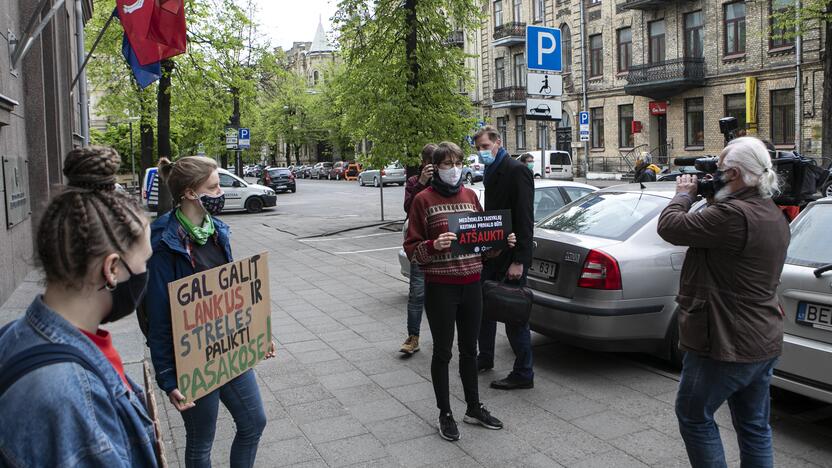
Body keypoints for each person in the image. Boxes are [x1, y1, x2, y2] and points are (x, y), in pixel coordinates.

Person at [0, 146, 158, 466]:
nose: (145, 273)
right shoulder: (67, 394)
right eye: (144, 260)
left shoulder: (14, 335)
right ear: (112, 269)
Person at [657, 137, 790, 468]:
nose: (711, 176)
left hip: (724, 341)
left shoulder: (732, 215)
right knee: (754, 426)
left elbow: (670, 226)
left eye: (717, 170)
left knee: (693, 416)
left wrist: (683, 196)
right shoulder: (771, 213)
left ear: (733, 174)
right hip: (763, 339)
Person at [146, 156, 276, 468]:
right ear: (191, 192)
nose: (221, 193)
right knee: (201, 441)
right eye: (214, 187)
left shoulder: (216, 230)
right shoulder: (164, 241)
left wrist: (259, 333)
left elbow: (232, 294)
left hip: (229, 347)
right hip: (190, 357)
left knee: (254, 422)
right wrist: (167, 377)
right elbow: (159, 316)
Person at [404, 141, 513, 442]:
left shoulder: (470, 196)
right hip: (441, 288)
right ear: (435, 167)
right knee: (442, 352)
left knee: (470, 351)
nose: (453, 169)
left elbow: (482, 246)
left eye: (457, 162)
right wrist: (431, 246)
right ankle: (445, 413)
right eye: (446, 164)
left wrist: (501, 242)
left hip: (472, 285)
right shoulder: (423, 200)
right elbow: (412, 248)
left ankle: (473, 408)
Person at [474, 126, 536, 390]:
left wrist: (519, 260)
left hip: (511, 257)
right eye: (477, 148)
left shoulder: (516, 170)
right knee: (483, 311)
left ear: (498, 142)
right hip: (493, 253)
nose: (481, 152)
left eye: (485, 147)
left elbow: (524, 219)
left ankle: (524, 373)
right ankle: (485, 357)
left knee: (514, 316)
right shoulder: (490, 170)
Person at [400, 143, 437, 355]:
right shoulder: (415, 182)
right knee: (416, 294)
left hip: (442, 246)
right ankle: (413, 337)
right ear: (423, 163)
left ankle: (442, 336)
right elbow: (409, 208)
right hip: (421, 247)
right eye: (430, 163)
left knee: (441, 297)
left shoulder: (445, 182)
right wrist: (422, 183)